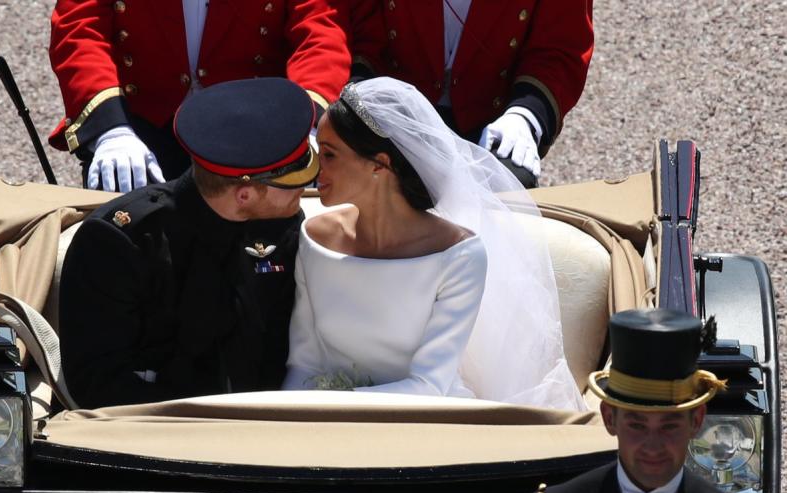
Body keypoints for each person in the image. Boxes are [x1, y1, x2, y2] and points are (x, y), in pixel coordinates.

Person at [281, 77, 584, 411]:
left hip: (425, 425)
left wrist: (334, 408)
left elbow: (428, 386)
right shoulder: (314, 237)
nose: (315, 168)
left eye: (329, 155)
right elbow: (304, 364)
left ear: (379, 165)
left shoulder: (460, 257)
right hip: (321, 422)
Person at [59, 78, 317, 408]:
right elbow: (97, 382)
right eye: (291, 182)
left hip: (260, 425)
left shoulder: (280, 227)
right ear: (245, 194)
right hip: (154, 432)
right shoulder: (121, 243)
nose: (303, 189)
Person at [494, 308, 776, 493]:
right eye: (637, 425)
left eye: (669, 425)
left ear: (697, 420)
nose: (653, 445)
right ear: (609, 418)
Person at [48, 0, 351, 192]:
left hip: (249, 126)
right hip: (140, 125)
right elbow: (78, 29)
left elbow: (319, 36)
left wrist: (305, 124)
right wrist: (110, 130)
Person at [348, 0, 594, 184]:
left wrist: (525, 114)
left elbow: (560, 46)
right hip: (391, 104)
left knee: (506, 188)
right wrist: (355, 95)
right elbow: (354, 19)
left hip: (491, 116)